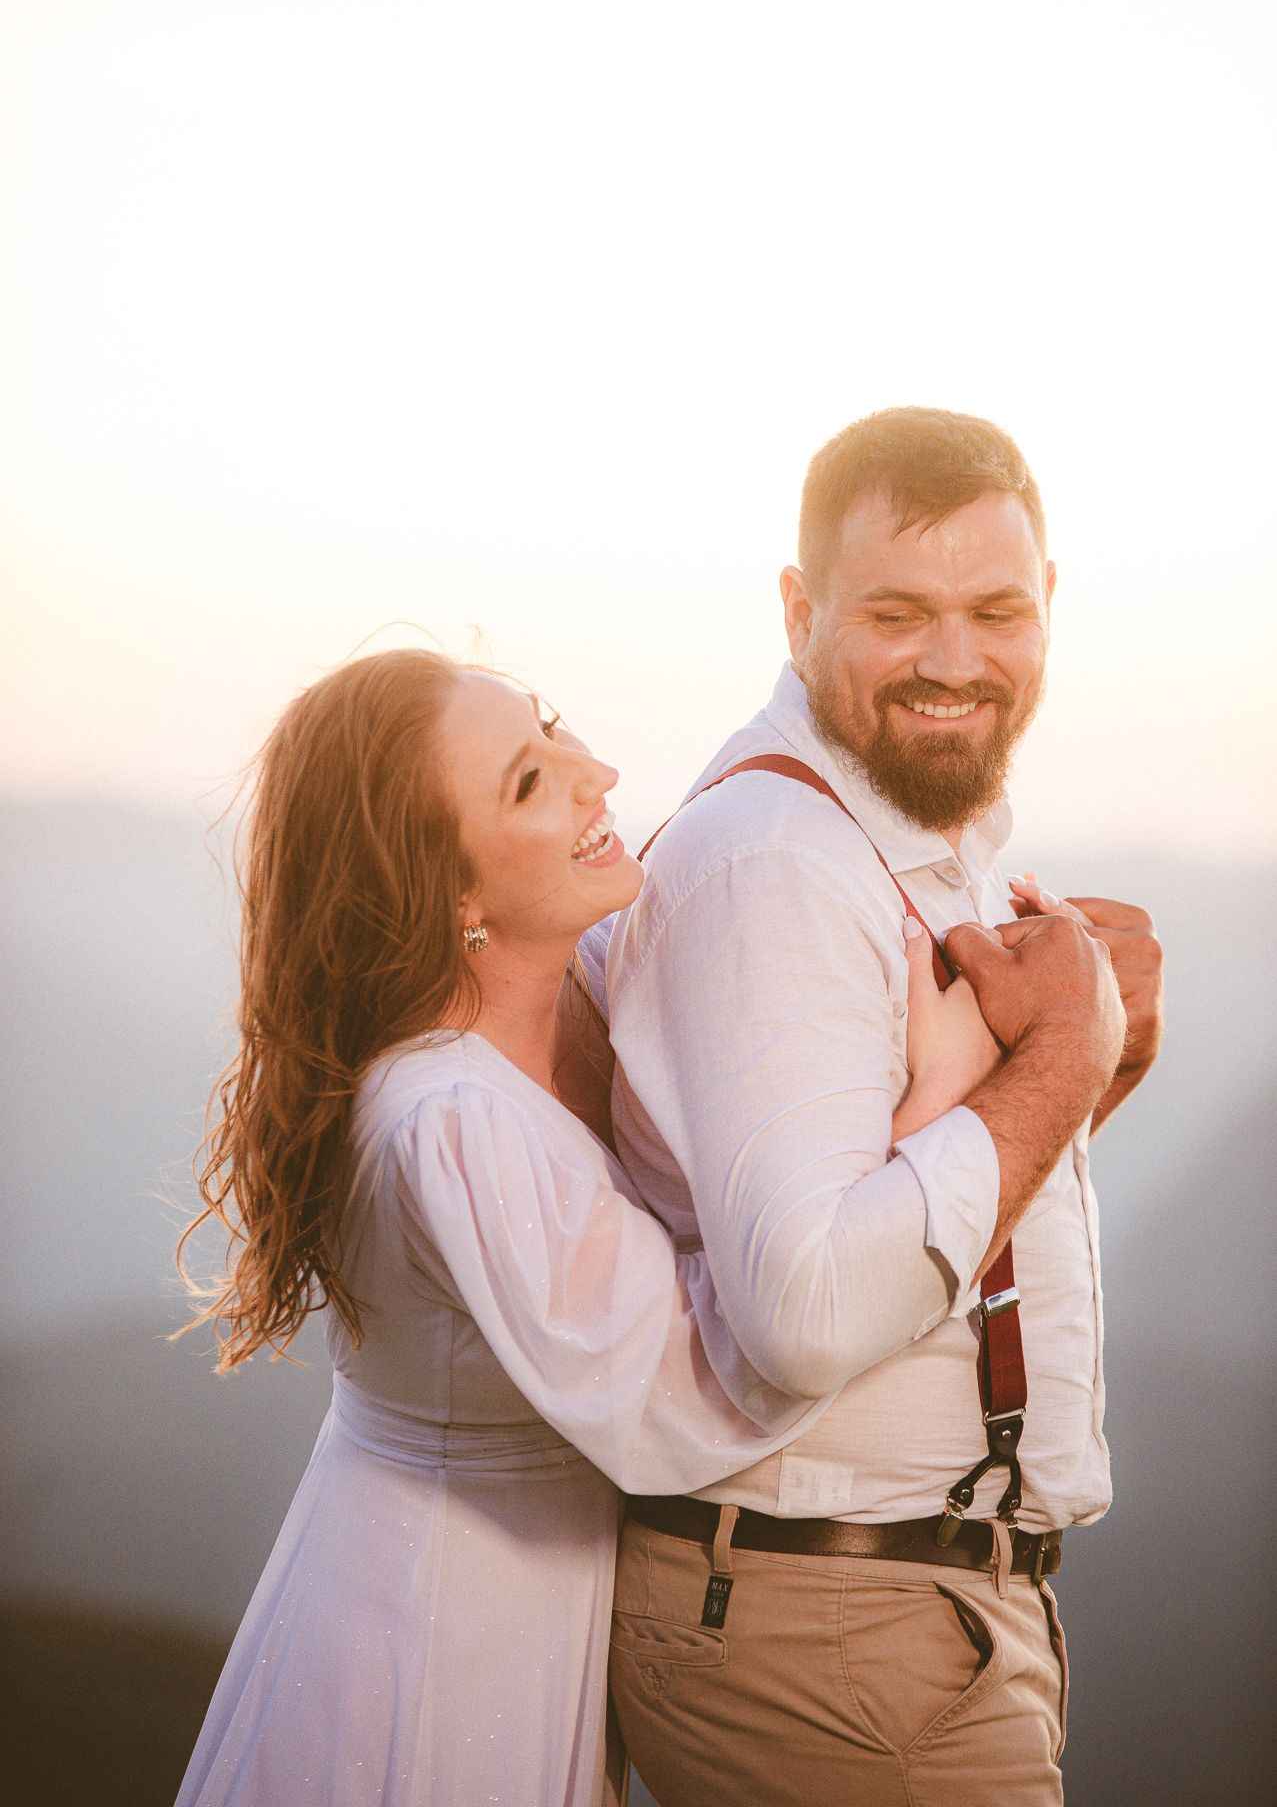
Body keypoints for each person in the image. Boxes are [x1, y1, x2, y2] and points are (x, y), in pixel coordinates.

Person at [173, 647, 993, 1807]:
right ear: (449, 894)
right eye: (528, 783)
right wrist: (944, 1103)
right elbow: (701, 1379)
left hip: (538, 1613)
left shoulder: (591, 988)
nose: (595, 774)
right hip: (440, 1635)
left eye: (552, 729)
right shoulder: (447, 1120)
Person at [604, 407, 1164, 1806]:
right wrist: (1064, 1055)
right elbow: (806, 1310)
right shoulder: (780, 863)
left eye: (997, 612)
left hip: (888, 1620)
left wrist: (1089, 1075)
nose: (954, 661)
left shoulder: (891, 836)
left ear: (1049, 607)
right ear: (800, 614)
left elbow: (904, 1211)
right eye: (897, 614)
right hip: (837, 1635)